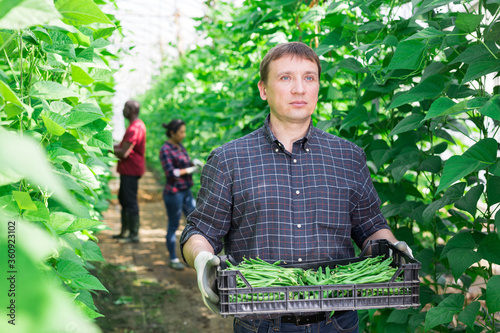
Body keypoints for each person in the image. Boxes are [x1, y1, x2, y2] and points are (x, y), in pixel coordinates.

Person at [180, 42, 412, 332]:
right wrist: (202, 259)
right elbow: (200, 230)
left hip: (337, 322)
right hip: (261, 324)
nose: (299, 89)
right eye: (286, 77)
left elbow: (370, 226)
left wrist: (392, 247)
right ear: (263, 89)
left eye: (309, 77)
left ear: (317, 87)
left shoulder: (348, 156)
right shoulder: (229, 159)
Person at [159, 120, 202, 270]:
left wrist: (192, 164)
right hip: (174, 192)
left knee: (195, 222)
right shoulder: (165, 149)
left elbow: (184, 164)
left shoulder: (179, 146)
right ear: (172, 133)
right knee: (174, 225)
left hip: (186, 191)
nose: (183, 135)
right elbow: (171, 173)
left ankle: (192, 256)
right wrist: (191, 170)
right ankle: (173, 258)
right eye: (181, 132)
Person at [112, 100, 146, 243]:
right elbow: (122, 146)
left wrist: (104, 147)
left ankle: (133, 235)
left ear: (132, 110)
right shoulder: (135, 126)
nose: (122, 110)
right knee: (124, 199)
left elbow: (124, 153)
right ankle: (124, 232)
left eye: (125, 107)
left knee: (130, 201)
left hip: (131, 170)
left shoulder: (135, 128)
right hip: (129, 169)